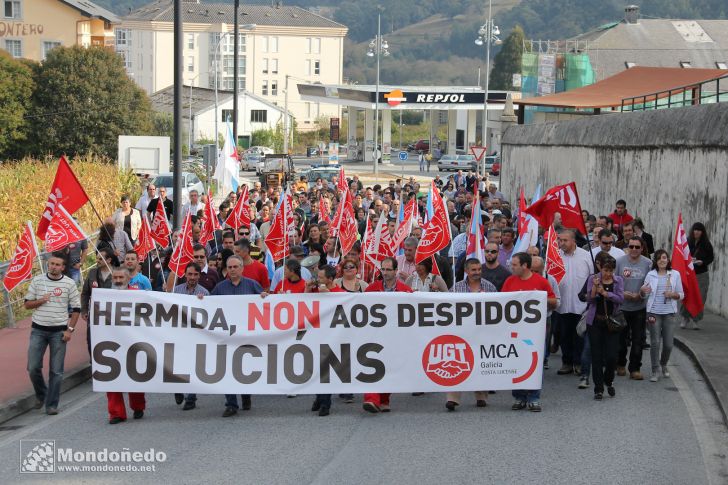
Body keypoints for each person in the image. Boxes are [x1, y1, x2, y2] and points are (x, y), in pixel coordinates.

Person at [24, 253, 81, 416]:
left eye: (57, 264)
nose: (54, 267)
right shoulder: (37, 281)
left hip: (59, 331)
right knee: (33, 367)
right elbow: (27, 304)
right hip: (38, 330)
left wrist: (70, 330)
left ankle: (51, 404)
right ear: (48, 265)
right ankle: (42, 394)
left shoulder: (69, 284)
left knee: (56, 371)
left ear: (63, 267)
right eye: (51, 264)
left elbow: (76, 309)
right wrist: (41, 300)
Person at [211, 255, 267, 417]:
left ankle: (246, 395)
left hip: (247, 335)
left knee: (245, 367)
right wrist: (201, 300)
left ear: (242, 268)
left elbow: (266, 305)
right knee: (227, 369)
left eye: (236, 267)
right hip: (227, 335)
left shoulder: (252, 285)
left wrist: (264, 297)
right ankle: (231, 404)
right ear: (226, 269)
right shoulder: (220, 288)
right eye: (230, 267)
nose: (233, 270)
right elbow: (208, 306)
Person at [502, 253, 557, 412]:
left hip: (536, 331)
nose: (511, 267)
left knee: (535, 362)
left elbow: (554, 302)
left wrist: (539, 298)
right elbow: (501, 302)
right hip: (515, 330)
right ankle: (519, 397)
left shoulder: (541, 282)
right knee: (516, 361)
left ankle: (534, 398)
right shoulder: (509, 281)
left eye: (514, 265)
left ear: (524, 266)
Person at [445, 258, 498, 411]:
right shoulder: (456, 288)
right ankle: (452, 399)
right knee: (455, 364)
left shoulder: (490, 287)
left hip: (483, 332)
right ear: (466, 271)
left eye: (479, 269)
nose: (477, 273)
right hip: (461, 332)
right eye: (473, 270)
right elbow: (447, 308)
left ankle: (481, 396)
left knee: (481, 362)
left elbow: (498, 309)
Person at [362, 257, 413, 413]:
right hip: (374, 335)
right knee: (371, 366)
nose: (384, 273)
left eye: (388, 270)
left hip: (395, 336)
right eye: (382, 269)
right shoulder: (371, 289)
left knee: (388, 367)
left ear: (396, 271)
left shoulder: (405, 290)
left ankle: (383, 400)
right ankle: (371, 399)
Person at [105, 266, 147, 424]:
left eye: (121, 278)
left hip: (134, 342)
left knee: (135, 375)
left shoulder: (138, 295)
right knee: (111, 377)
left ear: (129, 279)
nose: (117, 281)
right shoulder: (104, 297)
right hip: (110, 343)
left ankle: (138, 406)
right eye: (114, 278)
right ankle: (116, 413)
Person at [306, 265, 347, 416]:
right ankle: (319, 397)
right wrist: (307, 290)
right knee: (316, 369)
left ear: (330, 279)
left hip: (332, 337)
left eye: (321, 277)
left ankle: (325, 403)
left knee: (326, 370)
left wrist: (328, 295)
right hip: (315, 335)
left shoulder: (341, 293)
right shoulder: (315, 291)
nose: (318, 280)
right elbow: (303, 307)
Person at [584, 255, 624, 400]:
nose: (608, 273)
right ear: (600, 267)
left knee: (612, 356)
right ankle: (598, 388)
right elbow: (589, 300)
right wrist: (595, 288)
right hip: (595, 322)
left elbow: (620, 299)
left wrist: (606, 293)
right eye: (606, 270)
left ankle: (608, 379)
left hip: (612, 322)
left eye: (611, 270)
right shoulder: (593, 279)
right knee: (596, 356)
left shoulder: (618, 280)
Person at [642, 250, 684, 382]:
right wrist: (643, 291)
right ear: (656, 261)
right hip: (653, 312)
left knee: (669, 344)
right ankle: (655, 370)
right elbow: (644, 294)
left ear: (668, 260)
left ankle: (663, 364)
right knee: (655, 342)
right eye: (659, 258)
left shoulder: (675, 274)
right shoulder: (650, 275)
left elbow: (681, 294)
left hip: (669, 313)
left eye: (664, 258)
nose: (662, 260)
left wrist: (672, 295)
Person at [555, 229, 593, 376]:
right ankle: (566, 362)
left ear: (573, 240)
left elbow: (592, 276)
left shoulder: (586, 256)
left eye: (565, 240)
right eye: (560, 240)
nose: (561, 243)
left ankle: (578, 362)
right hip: (563, 303)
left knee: (579, 335)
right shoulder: (556, 256)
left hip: (581, 305)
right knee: (564, 335)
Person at [172, 262, 210, 410]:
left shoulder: (205, 293)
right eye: (190, 274)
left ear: (199, 275)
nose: (192, 277)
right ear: (185, 274)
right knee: (176, 364)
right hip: (179, 334)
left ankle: (191, 398)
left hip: (195, 336)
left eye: (195, 274)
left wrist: (203, 303)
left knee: (193, 367)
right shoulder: (176, 291)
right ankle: (178, 389)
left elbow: (210, 314)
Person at [615, 236, 652, 380]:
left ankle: (635, 368)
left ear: (642, 248)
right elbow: (614, 282)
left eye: (637, 247)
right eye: (631, 247)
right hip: (622, 307)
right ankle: (620, 364)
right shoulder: (619, 262)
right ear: (627, 247)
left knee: (638, 340)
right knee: (621, 340)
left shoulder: (648, 263)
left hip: (639, 308)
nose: (634, 250)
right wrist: (622, 294)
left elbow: (650, 285)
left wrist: (640, 295)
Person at [81, 248, 114, 356]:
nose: (97, 260)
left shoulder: (118, 273)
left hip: (112, 315)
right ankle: (93, 362)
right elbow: (85, 293)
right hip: (95, 314)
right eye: (97, 258)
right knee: (91, 339)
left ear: (109, 260)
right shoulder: (92, 273)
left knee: (111, 340)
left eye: (100, 258)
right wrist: (84, 310)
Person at [681, 222, 713, 329]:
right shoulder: (687, 242)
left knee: (700, 297)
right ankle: (685, 318)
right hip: (689, 274)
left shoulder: (706, 244)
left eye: (699, 230)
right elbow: (682, 255)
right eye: (695, 229)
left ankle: (696, 320)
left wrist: (703, 262)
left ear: (702, 232)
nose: (696, 232)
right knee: (687, 295)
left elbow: (711, 257)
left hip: (702, 274)